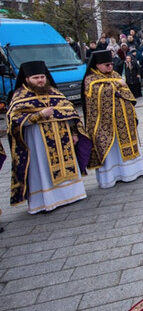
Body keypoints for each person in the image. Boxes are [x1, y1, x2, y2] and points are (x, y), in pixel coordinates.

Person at [7, 61, 91, 213]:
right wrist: (38, 115)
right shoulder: (20, 96)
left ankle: (73, 194)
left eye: (42, 77)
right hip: (37, 141)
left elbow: (70, 111)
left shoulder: (54, 92)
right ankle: (47, 200)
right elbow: (13, 120)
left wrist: (73, 132)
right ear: (27, 79)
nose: (40, 80)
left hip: (63, 137)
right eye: (36, 78)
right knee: (42, 167)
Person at [83, 50, 143, 189]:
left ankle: (132, 171)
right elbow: (97, 96)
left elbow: (127, 92)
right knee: (111, 150)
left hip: (124, 120)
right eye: (107, 65)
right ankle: (111, 177)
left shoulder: (115, 75)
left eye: (111, 64)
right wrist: (117, 86)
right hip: (106, 124)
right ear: (97, 65)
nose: (110, 67)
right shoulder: (90, 79)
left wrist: (119, 87)